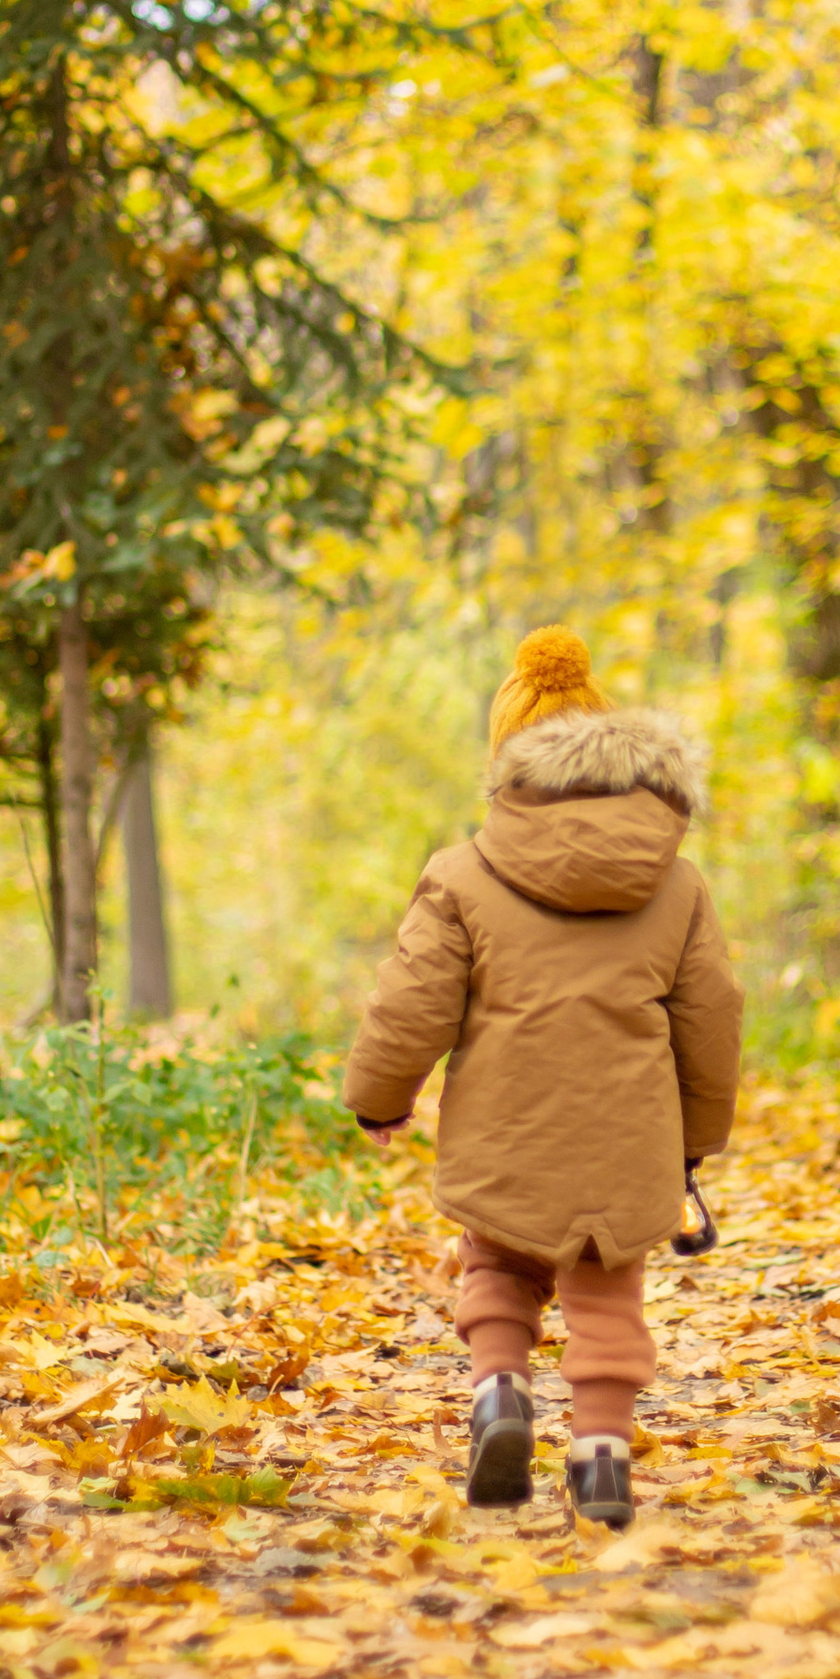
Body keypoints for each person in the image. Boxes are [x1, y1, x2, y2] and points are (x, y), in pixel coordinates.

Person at [343, 627, 743, 1530]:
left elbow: (412, 1003)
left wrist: (381, 1097)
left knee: (496, 1264)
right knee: (608, 1291)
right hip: (629, 1138)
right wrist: (697, 1140)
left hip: (504, 1135)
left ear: (509, 761)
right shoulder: (677, 885)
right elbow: (712, 1020)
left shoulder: (463, 876)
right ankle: (601, 1456)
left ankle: (500, 1396)